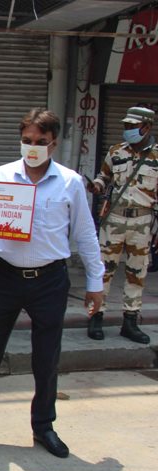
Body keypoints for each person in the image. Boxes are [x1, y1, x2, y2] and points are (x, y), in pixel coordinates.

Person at [0, 108, 104, 458]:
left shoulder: (71, 183)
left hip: (50, 281)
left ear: (54, 144)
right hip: (5, 277)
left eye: (40, 142)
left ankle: (43, 426)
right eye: (27, 141)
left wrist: (96, 281)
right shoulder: (2, 175)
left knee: (46, 359)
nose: (33, 148)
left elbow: (85, 234)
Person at [87, 106, 158, 344]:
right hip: (114, 219)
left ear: (146, 127)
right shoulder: (115, 151)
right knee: (103, 270)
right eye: (125, 126)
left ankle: (130, 321)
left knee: (137, 272)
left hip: (143, 221)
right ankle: (96, 316)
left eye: (131, 126)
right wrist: (95, 186)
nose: (127, 130)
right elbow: (103, 177)